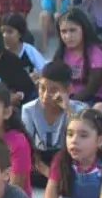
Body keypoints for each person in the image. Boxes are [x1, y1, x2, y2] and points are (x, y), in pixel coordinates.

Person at [23, 61, 87, 189]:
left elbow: (81, 142)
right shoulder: (29, 109)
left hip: (70, 155)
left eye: (54, 90)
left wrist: (68, 109)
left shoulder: (80, 109)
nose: (45, 95)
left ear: (69, 89)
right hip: (43, 159)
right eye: (42, 88)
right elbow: (28, 148)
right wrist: (49, 173)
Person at [51, 8, 102, 103]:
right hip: (69, 97)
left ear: (84, 29)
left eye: (73, 30)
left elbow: (91, 88)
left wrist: (69, 103)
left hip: (97, 99)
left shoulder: (96, 52)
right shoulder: (62, 52)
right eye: (63, 31)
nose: (68, 36)